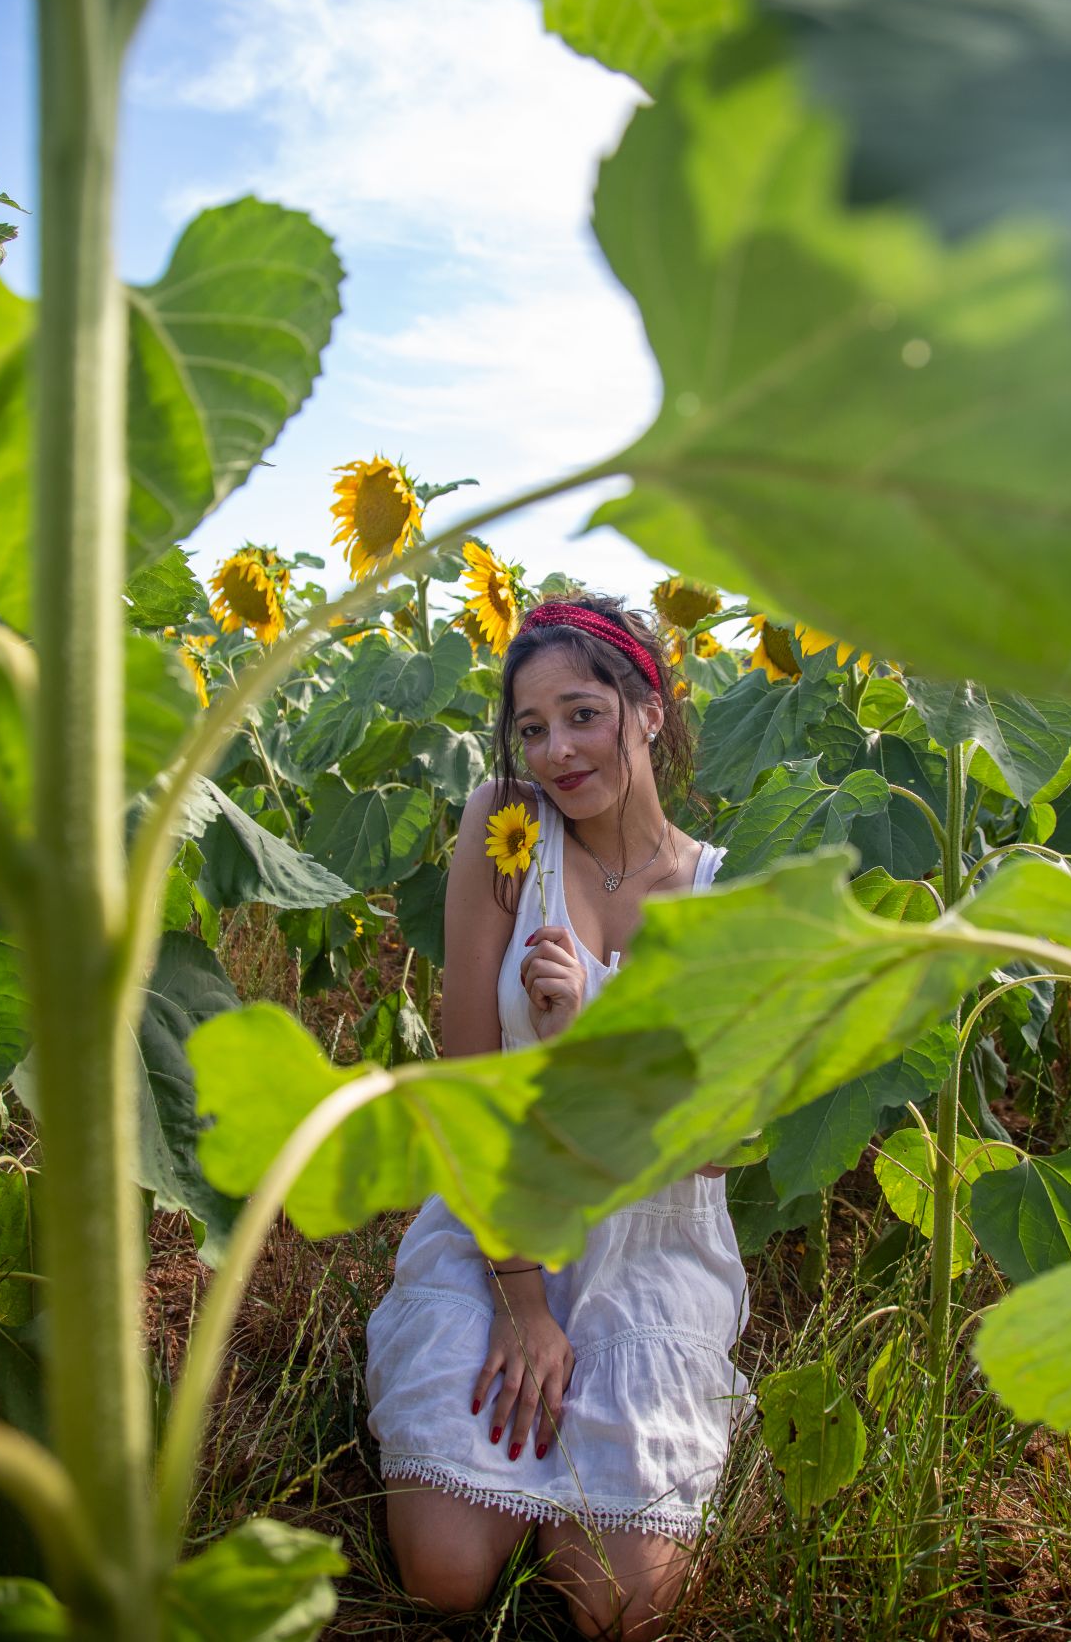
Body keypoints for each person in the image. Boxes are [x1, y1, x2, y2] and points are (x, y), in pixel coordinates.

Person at [365, 593, 750, 1640]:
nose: (555, 752)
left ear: (650, 709)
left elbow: (715, 1151)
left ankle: (568, 1472)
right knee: (444, 1575)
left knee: (618, 1607)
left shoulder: (720, 896)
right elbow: (467, 1083)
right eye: (531, 727)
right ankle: (520, 1453)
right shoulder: (504, 831)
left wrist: (584, 1037)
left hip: (648, 1238)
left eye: (582, 714)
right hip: (503, 1220)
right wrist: (522, 1301)